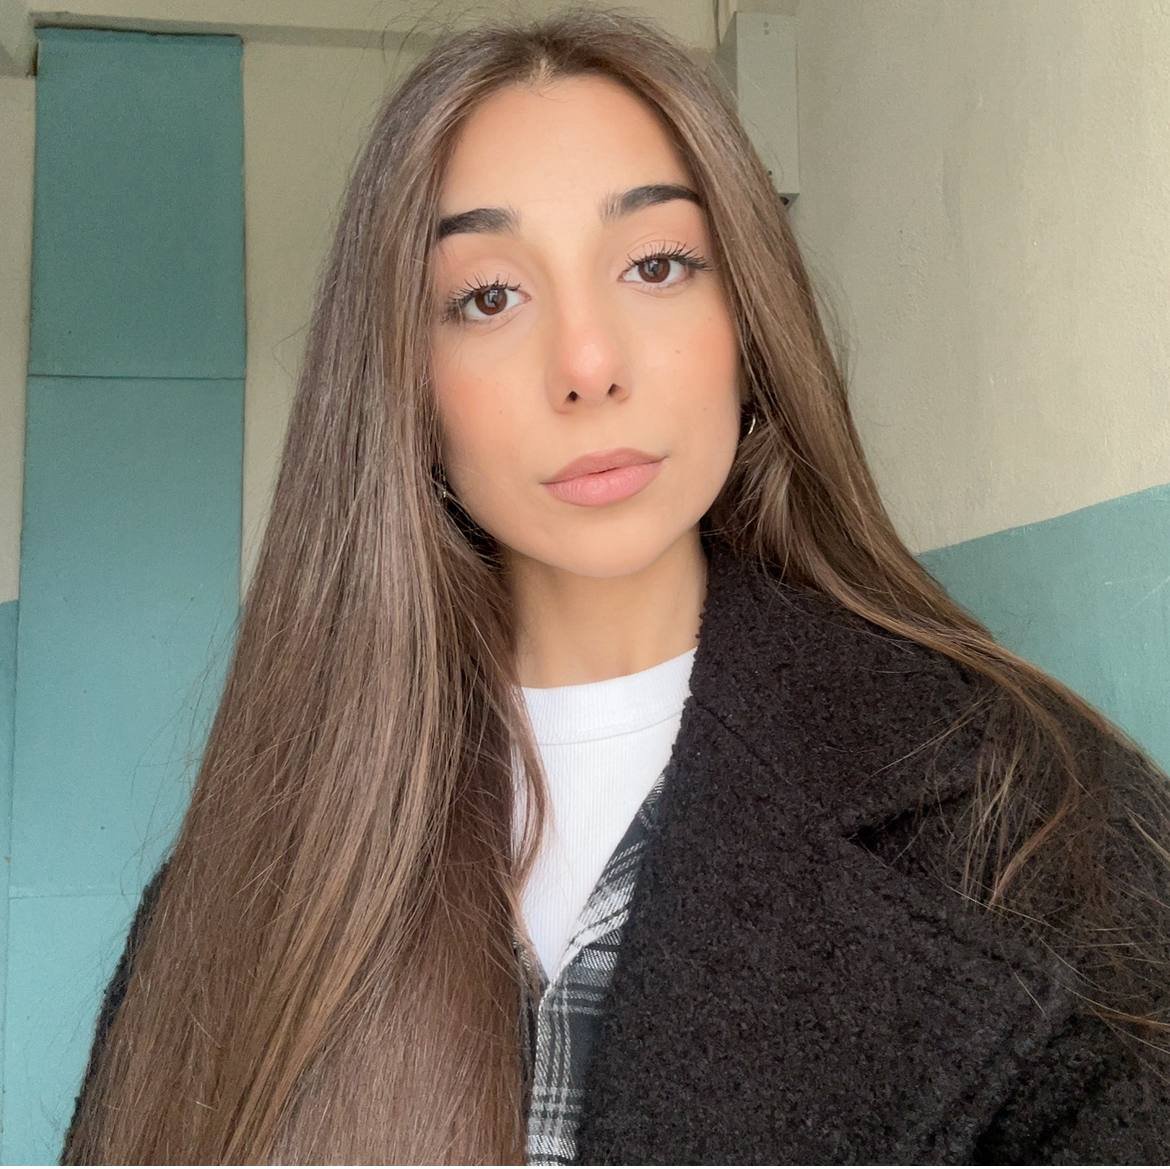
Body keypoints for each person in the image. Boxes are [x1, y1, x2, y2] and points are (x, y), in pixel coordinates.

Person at [61, 6, 1170, 1165]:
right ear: (407, 388)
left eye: (656, 264)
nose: (588, 364)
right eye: (489, 295)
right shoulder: (249, 875)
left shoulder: (1035, 814)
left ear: (747, 322)